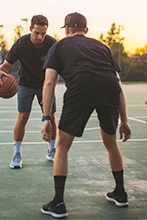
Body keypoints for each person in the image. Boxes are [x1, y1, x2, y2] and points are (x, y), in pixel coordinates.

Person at [40, 12, 132, 218]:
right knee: (111, 142)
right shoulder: (102, 47)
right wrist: (124, 120)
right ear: (86, 30)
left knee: (62, 145)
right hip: (108, 88)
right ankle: (120, 192)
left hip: (81, 87)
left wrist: (47, 118)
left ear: (67, 29)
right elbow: (118, 83)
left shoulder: (59, 46)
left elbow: (48, 83)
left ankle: (58, 202)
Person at [0, 15, 57, 169]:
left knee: (52, 118)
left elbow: (57, 71)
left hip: (45, 84)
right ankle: (17, 154)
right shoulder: (21, 44)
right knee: (23, 117)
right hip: (26, 83)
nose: (40, 37)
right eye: (36, 33)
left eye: (43, 33)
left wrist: (49, 90)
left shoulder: (52, 44)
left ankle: (52, 150)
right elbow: (5, 66)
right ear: (30, 29)